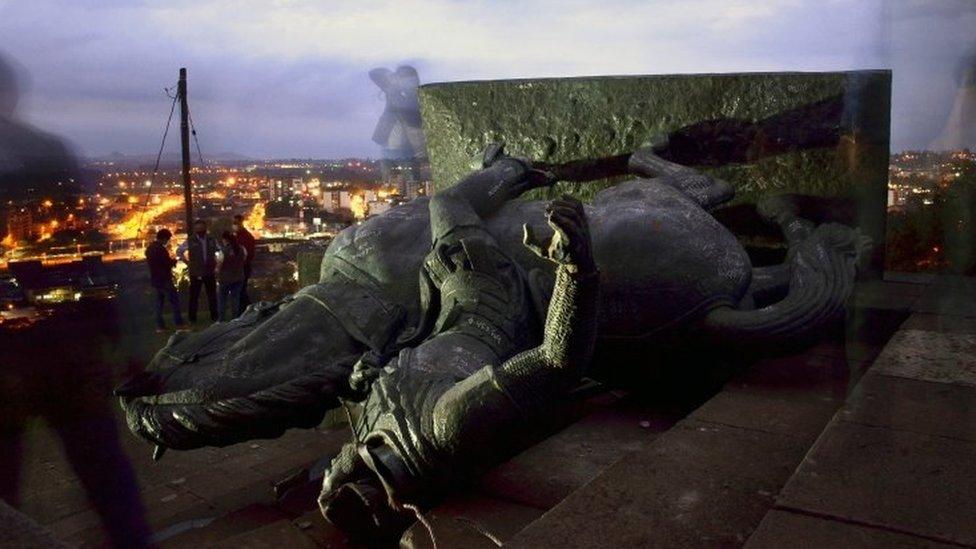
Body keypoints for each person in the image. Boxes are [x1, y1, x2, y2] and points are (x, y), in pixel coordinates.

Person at [177, 219, 219, 324]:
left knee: (212, 295)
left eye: (202, 228)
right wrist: (187, 262)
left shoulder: (211, 239)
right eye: (198, 229)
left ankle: (215, 316)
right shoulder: (191, 240)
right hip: (196, 273)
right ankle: (192, 318)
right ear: (195, 230)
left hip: (209, 271)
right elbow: (179, 251)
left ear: (205, 228)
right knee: (194, 296)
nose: (200, 230)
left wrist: (217, 263)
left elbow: (219, 250)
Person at [145, 228, 184, 331]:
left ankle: (160, 326)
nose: (168, 242)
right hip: (165, 279)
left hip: (155, 279)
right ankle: (179, 324)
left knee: (159, 304)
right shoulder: (160, 249)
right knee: (174, 301)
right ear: (164, 238)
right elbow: (166, 263)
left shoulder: (149, 249)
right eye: (168, 239)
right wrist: (173, 261)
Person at [217, 231, 247, 321]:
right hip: (238, 277)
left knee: (222, 300)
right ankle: (235, 318)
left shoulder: (223, 251)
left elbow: (219, 266)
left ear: (225, 240)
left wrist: (216, 274)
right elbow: (244, 260)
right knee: (235, 299)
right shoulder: (242, 249)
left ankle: (221, 320)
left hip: (225, 279)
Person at [233, 214, 256, 308]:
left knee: (240, 290)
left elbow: (248, 254)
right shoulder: (237, 236)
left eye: (235, 223)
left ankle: (246, 309)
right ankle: (246, 309)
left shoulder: (246, 237)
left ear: (240, 223)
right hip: (238, 268)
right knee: (240, 290)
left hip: (243, 268)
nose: (234, 225)